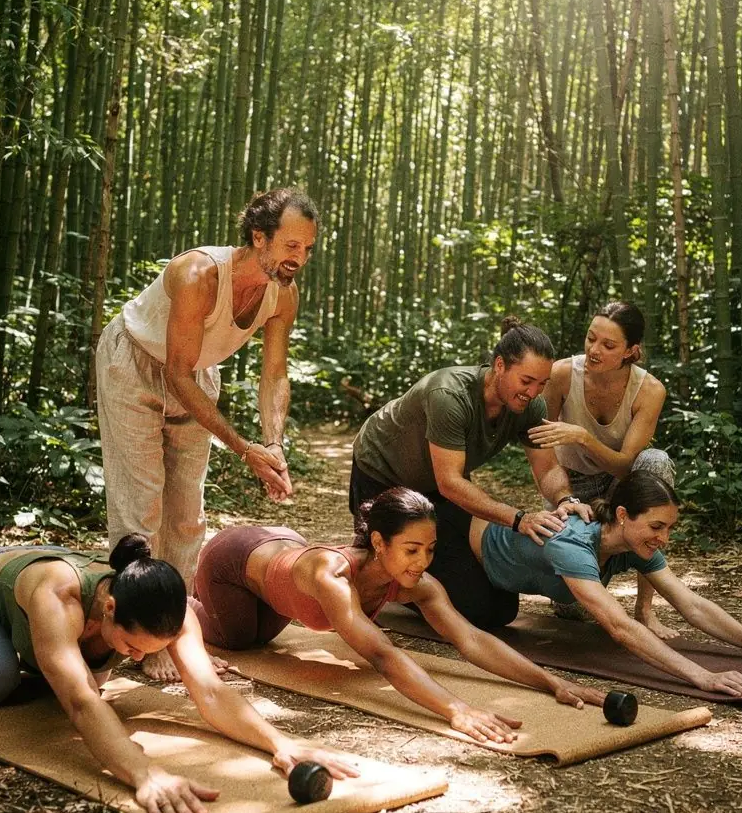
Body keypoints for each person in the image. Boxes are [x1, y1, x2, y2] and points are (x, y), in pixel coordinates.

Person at [0, 535, 357, 813]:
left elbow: (211, 693)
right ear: (108, 608)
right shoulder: (58, 598)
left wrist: (280, 743)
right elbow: (82, 702)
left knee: (79, 673)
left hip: (49, 612)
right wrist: (144, 773)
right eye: (132, 646)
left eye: (148, 649)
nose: (139, 658)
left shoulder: (172, 615)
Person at [158, 488, 605, 745]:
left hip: (280, 552)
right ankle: (177, 600)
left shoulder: (417, 584)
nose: (421, 563)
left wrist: (550, 682)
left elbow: (469, 639)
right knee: (239, 641)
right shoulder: (331, 576)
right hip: (233, 561)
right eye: (410, 550)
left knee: (262, 638)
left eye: (429, 550)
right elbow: (383, 655)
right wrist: (456, 709)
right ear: (378, 543)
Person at [96, 187, 318, 594]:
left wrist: (273, 443)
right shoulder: (199, 273)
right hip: (132, 361)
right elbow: (176, 374)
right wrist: (244, 449)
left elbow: (274, 374)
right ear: (258, 236)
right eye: (291, 244)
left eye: (307, 248)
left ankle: (174, 624)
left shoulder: (283, 293)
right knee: (141, 508)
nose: (299, 258)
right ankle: (138, 624)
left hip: (196, 371)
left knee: (186, 514)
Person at [349, 321, 590, 630]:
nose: (533, 393)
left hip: (435, 490)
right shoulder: (449, 394)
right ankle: (391, 582)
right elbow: (450, 483)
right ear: (500, 365)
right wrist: (519, 519)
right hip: (382, 476)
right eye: (527, 381)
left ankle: (411, 584)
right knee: (380, 574)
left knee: (498, 609)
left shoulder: (530, 405)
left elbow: (547, 467)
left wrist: (565, 498)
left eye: (542, 384)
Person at [467, 473, 742, 703]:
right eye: (656, 526)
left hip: (498, 580)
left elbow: (691, 604)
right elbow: (619, 626)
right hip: (466, 549)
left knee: (497, 613)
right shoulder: (572, 544)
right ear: (622, 515)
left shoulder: (633, 543)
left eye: (669, 528)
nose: (664, 538)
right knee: (470, 612)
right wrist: (703, 677)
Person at [528, 301, 676, 635]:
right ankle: (585, 583)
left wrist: (583, 437)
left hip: (618, 484)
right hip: (568, 487)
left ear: (631, 351)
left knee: (656, 462)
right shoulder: (563, 374)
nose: (594, 350)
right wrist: (561, 497)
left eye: (608, 345)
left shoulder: (649, 390)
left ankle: (644, 609)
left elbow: (626, 465)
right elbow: (540, 448)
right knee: (571, 608)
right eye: (591, 338)